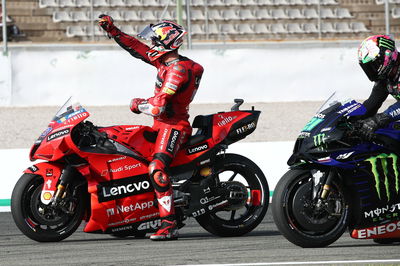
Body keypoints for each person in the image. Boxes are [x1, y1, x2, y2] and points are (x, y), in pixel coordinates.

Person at [98, 16, 204, 241]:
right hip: (161, 126)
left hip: (174, 126)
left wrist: (138, 104)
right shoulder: (164, 62)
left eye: (156, 40)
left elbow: (158, 107)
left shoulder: (177, 70)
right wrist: (114, 30)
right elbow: (137, 48)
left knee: (156, 167)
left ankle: (168, 224)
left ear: (168, 43)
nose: (152, 44)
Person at [357, 35, 400, 139]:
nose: (371, 70)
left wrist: (378, 120)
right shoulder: (385, 78)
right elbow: (372, 103)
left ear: (387, 56)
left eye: (374, 65)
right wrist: (352, 121)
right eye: (368, 68)